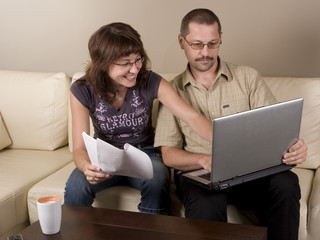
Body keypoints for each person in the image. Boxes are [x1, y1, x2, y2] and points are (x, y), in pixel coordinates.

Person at [154, 8, 308, 239]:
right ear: (181, 41)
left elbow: (275, 130)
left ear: (221, 39)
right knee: (206, 202)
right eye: (197, 44)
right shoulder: (171, 91)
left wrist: (295, 147)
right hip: (200, 175)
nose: (205, 52)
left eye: (213, 44)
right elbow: (168, 154)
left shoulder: (247, 77)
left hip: (251, 172)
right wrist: (204, 161)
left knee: (285, 183)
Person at [64, 22, 212, 215]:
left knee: (157, 179)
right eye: (126, 64)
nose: (135, 69)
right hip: (104, 156)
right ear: (103, 63)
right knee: (76, 187)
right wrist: (86, 167)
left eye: (138, 60)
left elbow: (191, 117)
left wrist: (224, 147)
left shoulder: (151, 81)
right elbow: (79, 147)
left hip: (146, 153)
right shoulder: (82, 89)